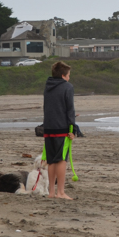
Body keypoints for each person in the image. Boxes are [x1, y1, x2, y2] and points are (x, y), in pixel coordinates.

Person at [42, 61, 76, 199]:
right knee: (61, 159)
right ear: (63, 76)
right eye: (68, 75)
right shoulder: (67, 87)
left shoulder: (47, 86)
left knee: (51, 160)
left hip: (48, 128)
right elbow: (70, 109)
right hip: (61, 128)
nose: (69, 78)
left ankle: (51, 192)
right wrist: (72, 129)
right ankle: (60, 192)